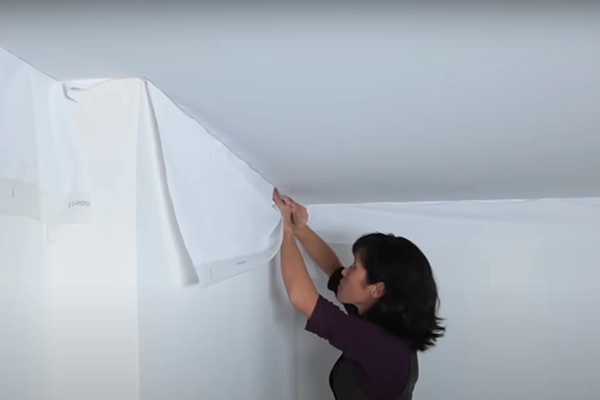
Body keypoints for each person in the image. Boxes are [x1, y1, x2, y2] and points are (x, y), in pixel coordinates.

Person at [273, 188, 445, 400]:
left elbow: (302, 298)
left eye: (354, 266)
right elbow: (333, 269)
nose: (346, 271)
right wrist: (299, 228)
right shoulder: (376, 318)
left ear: (377, 289)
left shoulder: (383, 347)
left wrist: (286, 230)